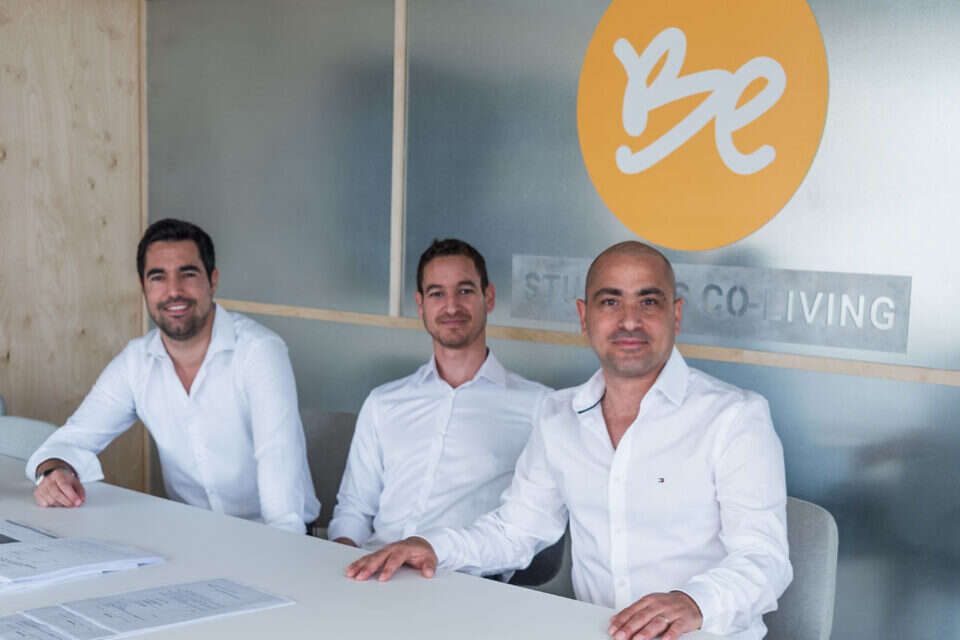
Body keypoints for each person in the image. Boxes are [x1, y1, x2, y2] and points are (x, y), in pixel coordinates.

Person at [345, 241, 792, 640]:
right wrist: (433, 547)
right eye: (610, 302)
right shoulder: (559, 417)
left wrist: (693, 602)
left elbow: (765, 559)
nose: (629, 320)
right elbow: (516, 531)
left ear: (675, 315)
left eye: (648, 301)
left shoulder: (734, 417)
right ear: (584, 317)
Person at [27, 218, 320, 534]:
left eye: (188, 274)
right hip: (193, 533)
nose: (174, 291)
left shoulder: (258, 351)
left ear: (213, 280)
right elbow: (67, 441)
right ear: (143, 287)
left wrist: (279, 552)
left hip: (273, 533)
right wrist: (53, 472)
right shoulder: (136, 362)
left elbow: (277, 466)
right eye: (158, 277)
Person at [327, 238, 550, 574]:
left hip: (459, 579)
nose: (451, 307)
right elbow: (354, 508)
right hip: (375, 574)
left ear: (488, 297)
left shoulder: (538, 407)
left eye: (465, 291)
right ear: (420, 304)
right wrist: (340, 562)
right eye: (436, 294)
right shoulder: (384, 402)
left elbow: (523, 533)